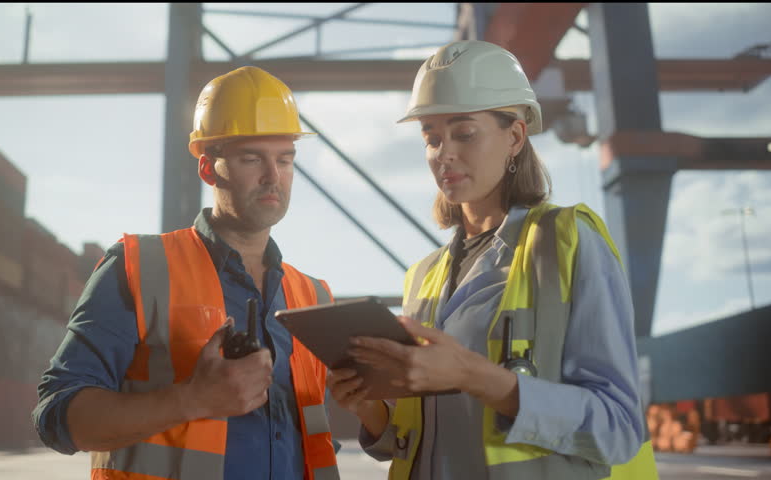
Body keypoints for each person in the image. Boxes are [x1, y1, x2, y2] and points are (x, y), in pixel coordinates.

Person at [328, 41, 659, 479]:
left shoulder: (566, 242)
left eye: (464, 134)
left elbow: (618, 428)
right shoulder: (423, 277)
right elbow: (418, 439)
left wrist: (476, 375)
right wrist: (370, 407)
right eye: (431, 137)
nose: (443, 153)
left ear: (515, 137)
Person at [32, 66, 340, 480]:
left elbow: (312, 441)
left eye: (285, 159)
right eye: (252, 158)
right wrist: (193, 400)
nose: (273, 176)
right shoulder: (138, 267)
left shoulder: (313, 297)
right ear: (208, 169)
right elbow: (56, 417)